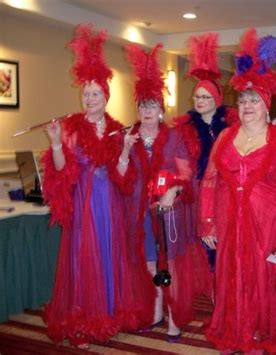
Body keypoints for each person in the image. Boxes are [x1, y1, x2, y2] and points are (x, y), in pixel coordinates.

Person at [41, 24, 153, 348]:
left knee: (110, 256)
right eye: (86, 94)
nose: (90, 99)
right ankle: (82, 323)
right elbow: (62, 172)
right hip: (84, 202)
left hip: (110, 205)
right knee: (83, 259)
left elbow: (122, 177)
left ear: (106, 96)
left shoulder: (118, 131)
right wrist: (56, 144)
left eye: (96, 94)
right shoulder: (71, 128)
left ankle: (108, 316)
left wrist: (128, 151)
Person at [199, 29, 276, 353]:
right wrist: (207, 222)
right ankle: (233, 328)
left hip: (268, 226)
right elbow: (210, 180)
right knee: (231, 274)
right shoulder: (225, 137)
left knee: (261, 278)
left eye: (255, 100)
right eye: (243, 100)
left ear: (267, 104)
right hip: (229, 223)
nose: (248, 105)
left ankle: (258, 333)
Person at [124, 43, 211, 342]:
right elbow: (121, 176)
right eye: (142, 106)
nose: (147, 111)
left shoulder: (174, 137)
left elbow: (188, 174)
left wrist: (173, 190)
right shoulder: (130, 138)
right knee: (149, 263)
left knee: (169, 263)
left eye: (153, 106)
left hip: (168, 213)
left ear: (161, 110)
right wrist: (123, 149)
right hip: (139, 212)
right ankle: (157, 310)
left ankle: (174, 317)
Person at [172, 33, 238, 272]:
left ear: (217, 100)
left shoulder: (233, 126)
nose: (199, 100)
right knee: (200, 248)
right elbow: (180, 165)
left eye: (205, 97)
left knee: (225, 247)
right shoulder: (184, 129)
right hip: (198, 192)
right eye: (197, 96)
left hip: (227, 192)